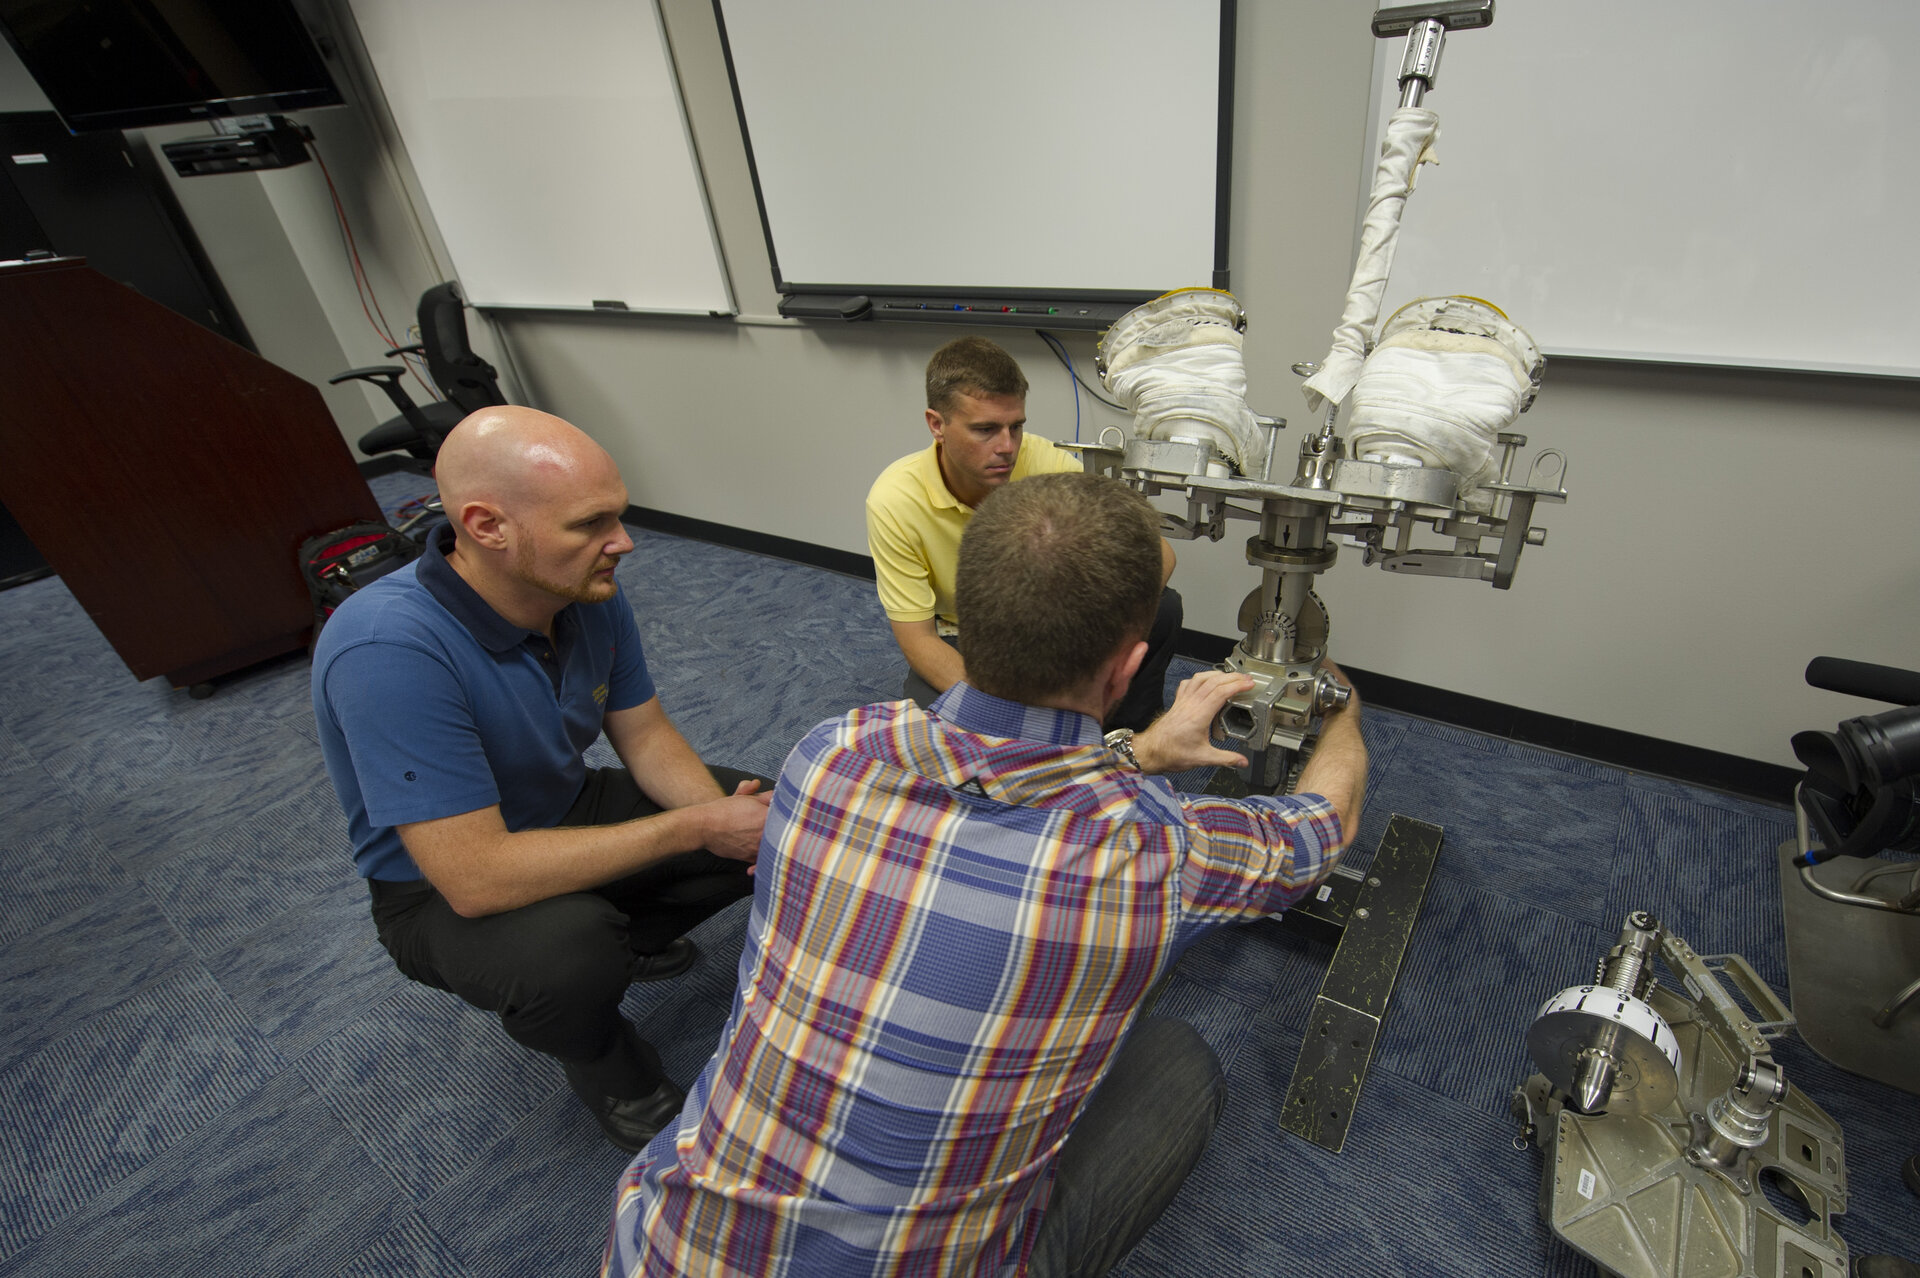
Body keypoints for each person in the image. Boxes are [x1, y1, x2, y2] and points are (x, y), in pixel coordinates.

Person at [605, 472, 1368, 1277]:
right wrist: (1342, 708)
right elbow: (1323, 829)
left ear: (965, 621)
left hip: (661, 1245)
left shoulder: (832, 751)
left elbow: (1000, 779)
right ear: (1129, 669)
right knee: (1176, 1060)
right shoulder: (1157, 851)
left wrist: (1137, 753)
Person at [312, 406, 770, 1153]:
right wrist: (694, 828)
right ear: (488, 526)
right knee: (567, 955)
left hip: (562, 805)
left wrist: (730, 823)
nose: (622, 543)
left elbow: (646, 735)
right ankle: (606, 1062)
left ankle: (630, 936)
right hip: (437, 889)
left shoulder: (584, 589)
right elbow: (475, 877)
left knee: (771, 815)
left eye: (616, 517)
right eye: (589, 524)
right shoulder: (385, 647)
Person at [866, 335, 1183, 732]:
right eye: (985, 429)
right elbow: (918, 639)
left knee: (1163, 609)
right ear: (937, 425)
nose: (1006, 447)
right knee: (937, 733)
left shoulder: (1047, 461)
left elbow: (1160, 554)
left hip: (1054, 622)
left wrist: (1093, 629)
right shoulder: (895, 499)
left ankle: (1129, 740)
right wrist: (1021, 709)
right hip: (967, 635)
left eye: (1015, 427)